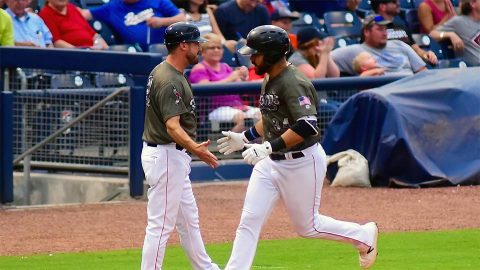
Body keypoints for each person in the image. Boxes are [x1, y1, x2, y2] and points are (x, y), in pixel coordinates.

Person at [217, 25, 379, 269]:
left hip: (302, 162)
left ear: (271, 54)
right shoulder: (270, 77)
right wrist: (247, 136)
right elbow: (272, 118)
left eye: (256, 53)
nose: (251, 58)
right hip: (270, 163)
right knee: (249, 221)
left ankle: (363, 235)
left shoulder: (293, 82)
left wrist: (269, 147)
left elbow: (307, 125)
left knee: (308, 227)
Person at [140, 22, 220, 270]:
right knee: (160, 225)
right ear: (183, 45)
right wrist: (195, 148)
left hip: (169, 155)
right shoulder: (169, 79)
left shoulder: (165, 71)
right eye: (196, 43)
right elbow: (173, 126)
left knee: (188, 220)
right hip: (166, 155)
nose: (199, 48)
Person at [189, 33, 260, 132]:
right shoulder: (199, 68)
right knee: (243, 119)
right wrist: (230, 78)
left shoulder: (225, 66)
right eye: (212, 48)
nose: (216, 50)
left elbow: (238, 85)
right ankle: (228, 145)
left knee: (261, 114)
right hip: (213, 109)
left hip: (237, 106)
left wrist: (243, 77)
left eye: (219, 47)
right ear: (203, 51)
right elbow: (203, 88)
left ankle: (255, 144)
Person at [332, 14, 427, 76]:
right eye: (379, 29)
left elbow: (423, 71)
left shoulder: (400, 45)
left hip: (411, 89)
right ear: (366, 32)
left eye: (385, 29)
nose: (385, 33)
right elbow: (325, 58)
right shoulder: (355, 51)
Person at [81, 0, 185, 51]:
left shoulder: (157, 1)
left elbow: (181, 18)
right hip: (133, 53)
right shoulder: (113, 6)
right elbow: (85, 14)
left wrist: (162, 21)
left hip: (164, 52)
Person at [370, 0, 438, 65]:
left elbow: (416, 50)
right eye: (394, 1)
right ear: (382, 7)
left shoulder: (401, 26)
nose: (398, 3)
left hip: (409, 69)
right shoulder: (371, 29)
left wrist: (426, 54)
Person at [39, 0, 108, 49]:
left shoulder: (72, 8)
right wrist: (82, 52)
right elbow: (56, 42)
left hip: (93, 51)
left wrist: (106, 49)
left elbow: (94, 35)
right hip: (74, 57)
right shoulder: (45, 14)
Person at [429, 0, 480, 66]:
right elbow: (432, 34)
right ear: (473, 3)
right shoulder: (458, 21)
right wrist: (450, 34)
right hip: (473, 70)